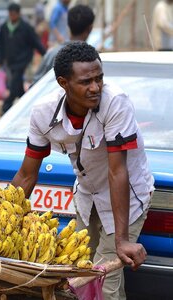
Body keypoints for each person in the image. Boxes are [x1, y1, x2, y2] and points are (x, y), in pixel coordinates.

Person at [11, 41, 154, 300]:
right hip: (88, 195)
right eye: (86, 81)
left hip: (127, 197)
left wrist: (122, 240)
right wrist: (4, 217)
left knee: (104, 281)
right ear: (63, 83)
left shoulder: (115, 103)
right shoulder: (43, 113)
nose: (95, 87)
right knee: (77, 273)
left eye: (99, 78)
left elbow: (117, 172)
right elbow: (27, 174)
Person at [0, 3, 46, 115]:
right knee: (18, 87)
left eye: (14, 14)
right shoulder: (4, 27)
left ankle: (6, 107)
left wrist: (45, 54)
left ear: (18, 14)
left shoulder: (26, 28)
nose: (12, 17)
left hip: (23, 60)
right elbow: (0, 45)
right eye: (10, 14)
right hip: (10, 61)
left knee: (14, 83)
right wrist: (0, 60)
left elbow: (35, 42)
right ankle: (27, 104)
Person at [33, 4, 95, 83]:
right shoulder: (94, 58)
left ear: (68, 25)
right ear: (90, 28)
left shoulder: (52, 54)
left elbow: (35, 84)